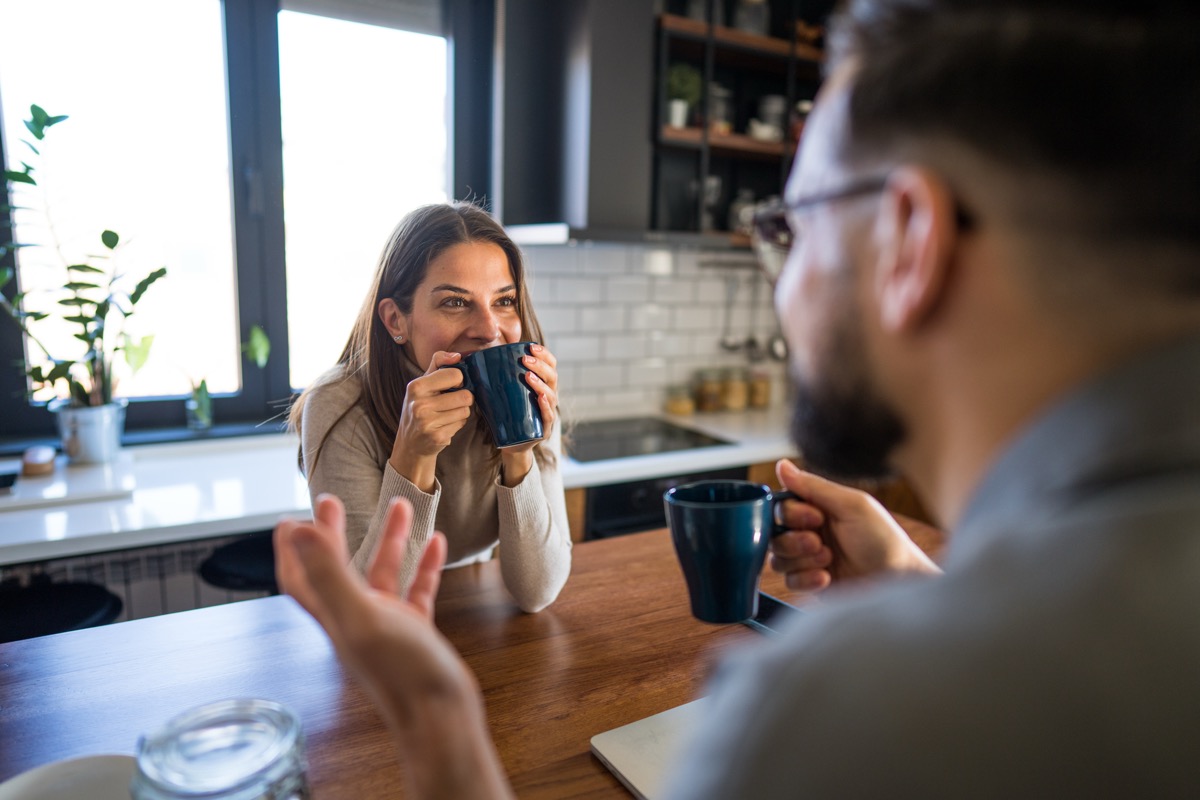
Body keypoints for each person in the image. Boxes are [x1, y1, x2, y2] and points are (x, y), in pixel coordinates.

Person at [274, 0, 1200, 796]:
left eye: (789, 226)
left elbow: (539, 585)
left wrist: (437, 717)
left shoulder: (826, 709)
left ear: (911, 240)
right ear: (397, 318)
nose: (781, 284)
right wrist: (923, 587)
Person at [287, 202, 571, 613]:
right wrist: (412, 457)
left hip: (471, 599)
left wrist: (519, 450)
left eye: (504, 301)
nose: (490, 330)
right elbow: (372, 606)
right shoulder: (339, 405)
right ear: (395, 320)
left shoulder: (529, 384)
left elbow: (538, 591)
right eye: (455, 303)